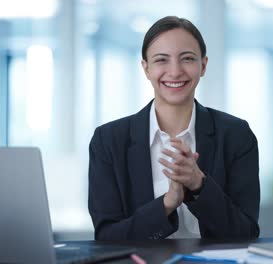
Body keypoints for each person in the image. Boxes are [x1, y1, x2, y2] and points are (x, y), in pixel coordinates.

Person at [88, 16, 260, 240]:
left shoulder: (236, 135)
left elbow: (246, 232)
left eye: (187, 58)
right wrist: (167, 204)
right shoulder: (108, 140)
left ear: (203, 65)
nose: (175, 71)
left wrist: (199, 185)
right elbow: (107, 236)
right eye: (161, 60)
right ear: (146, 68)